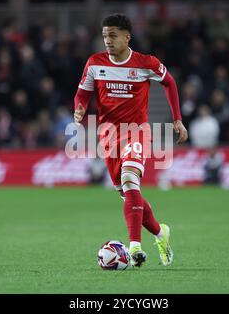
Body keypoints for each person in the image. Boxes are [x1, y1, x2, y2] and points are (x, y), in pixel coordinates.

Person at [73, 14, 188, 267]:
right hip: (108, 137)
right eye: (105, 36)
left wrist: (177, 119)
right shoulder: (94, 63)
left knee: (129, 180)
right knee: (129, 194)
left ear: (127, 37)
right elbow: (82, 92)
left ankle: (134, 246)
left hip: (136, 132)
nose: (108, 41)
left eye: (113, 35)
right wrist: (79, 108)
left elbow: (169, 83)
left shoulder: (145, 63)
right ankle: (160, 233)